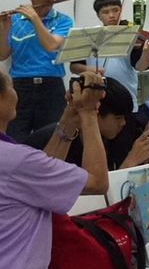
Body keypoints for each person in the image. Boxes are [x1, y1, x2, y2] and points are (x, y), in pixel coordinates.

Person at [0, 70, 109, 269]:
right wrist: (89, 112)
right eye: (10, 87)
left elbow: (38, 178)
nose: (15, 93)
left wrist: (71, 115)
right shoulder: (15, 160)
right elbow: (98, 182)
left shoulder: (15, 162)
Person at [0, 0, 74, 143]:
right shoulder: (16, 20)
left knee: (53, 139)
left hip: (51, 87)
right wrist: (4, 28)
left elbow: (52, 45)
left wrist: (34, 18)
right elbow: (3, 54)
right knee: (12, 138)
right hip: (19, 87)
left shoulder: (64, 21)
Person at [27, 78, 149, 171]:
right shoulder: (57, 142)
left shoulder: (115, 137)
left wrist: (142, 160)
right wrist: (131, 161)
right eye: (117, 118)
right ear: (96, 111)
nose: (123, 123)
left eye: (124, 117)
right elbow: (96, 192)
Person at [71, 0, 149, 113]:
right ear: (98, 15)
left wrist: (146, 54)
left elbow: (140, 67)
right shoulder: (89, 36)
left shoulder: (130, 34)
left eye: (116, 10)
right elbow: (74, 67)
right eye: (105, 12)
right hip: (96, 94)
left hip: (125, 94)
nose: (112, 15)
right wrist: (91, 70)